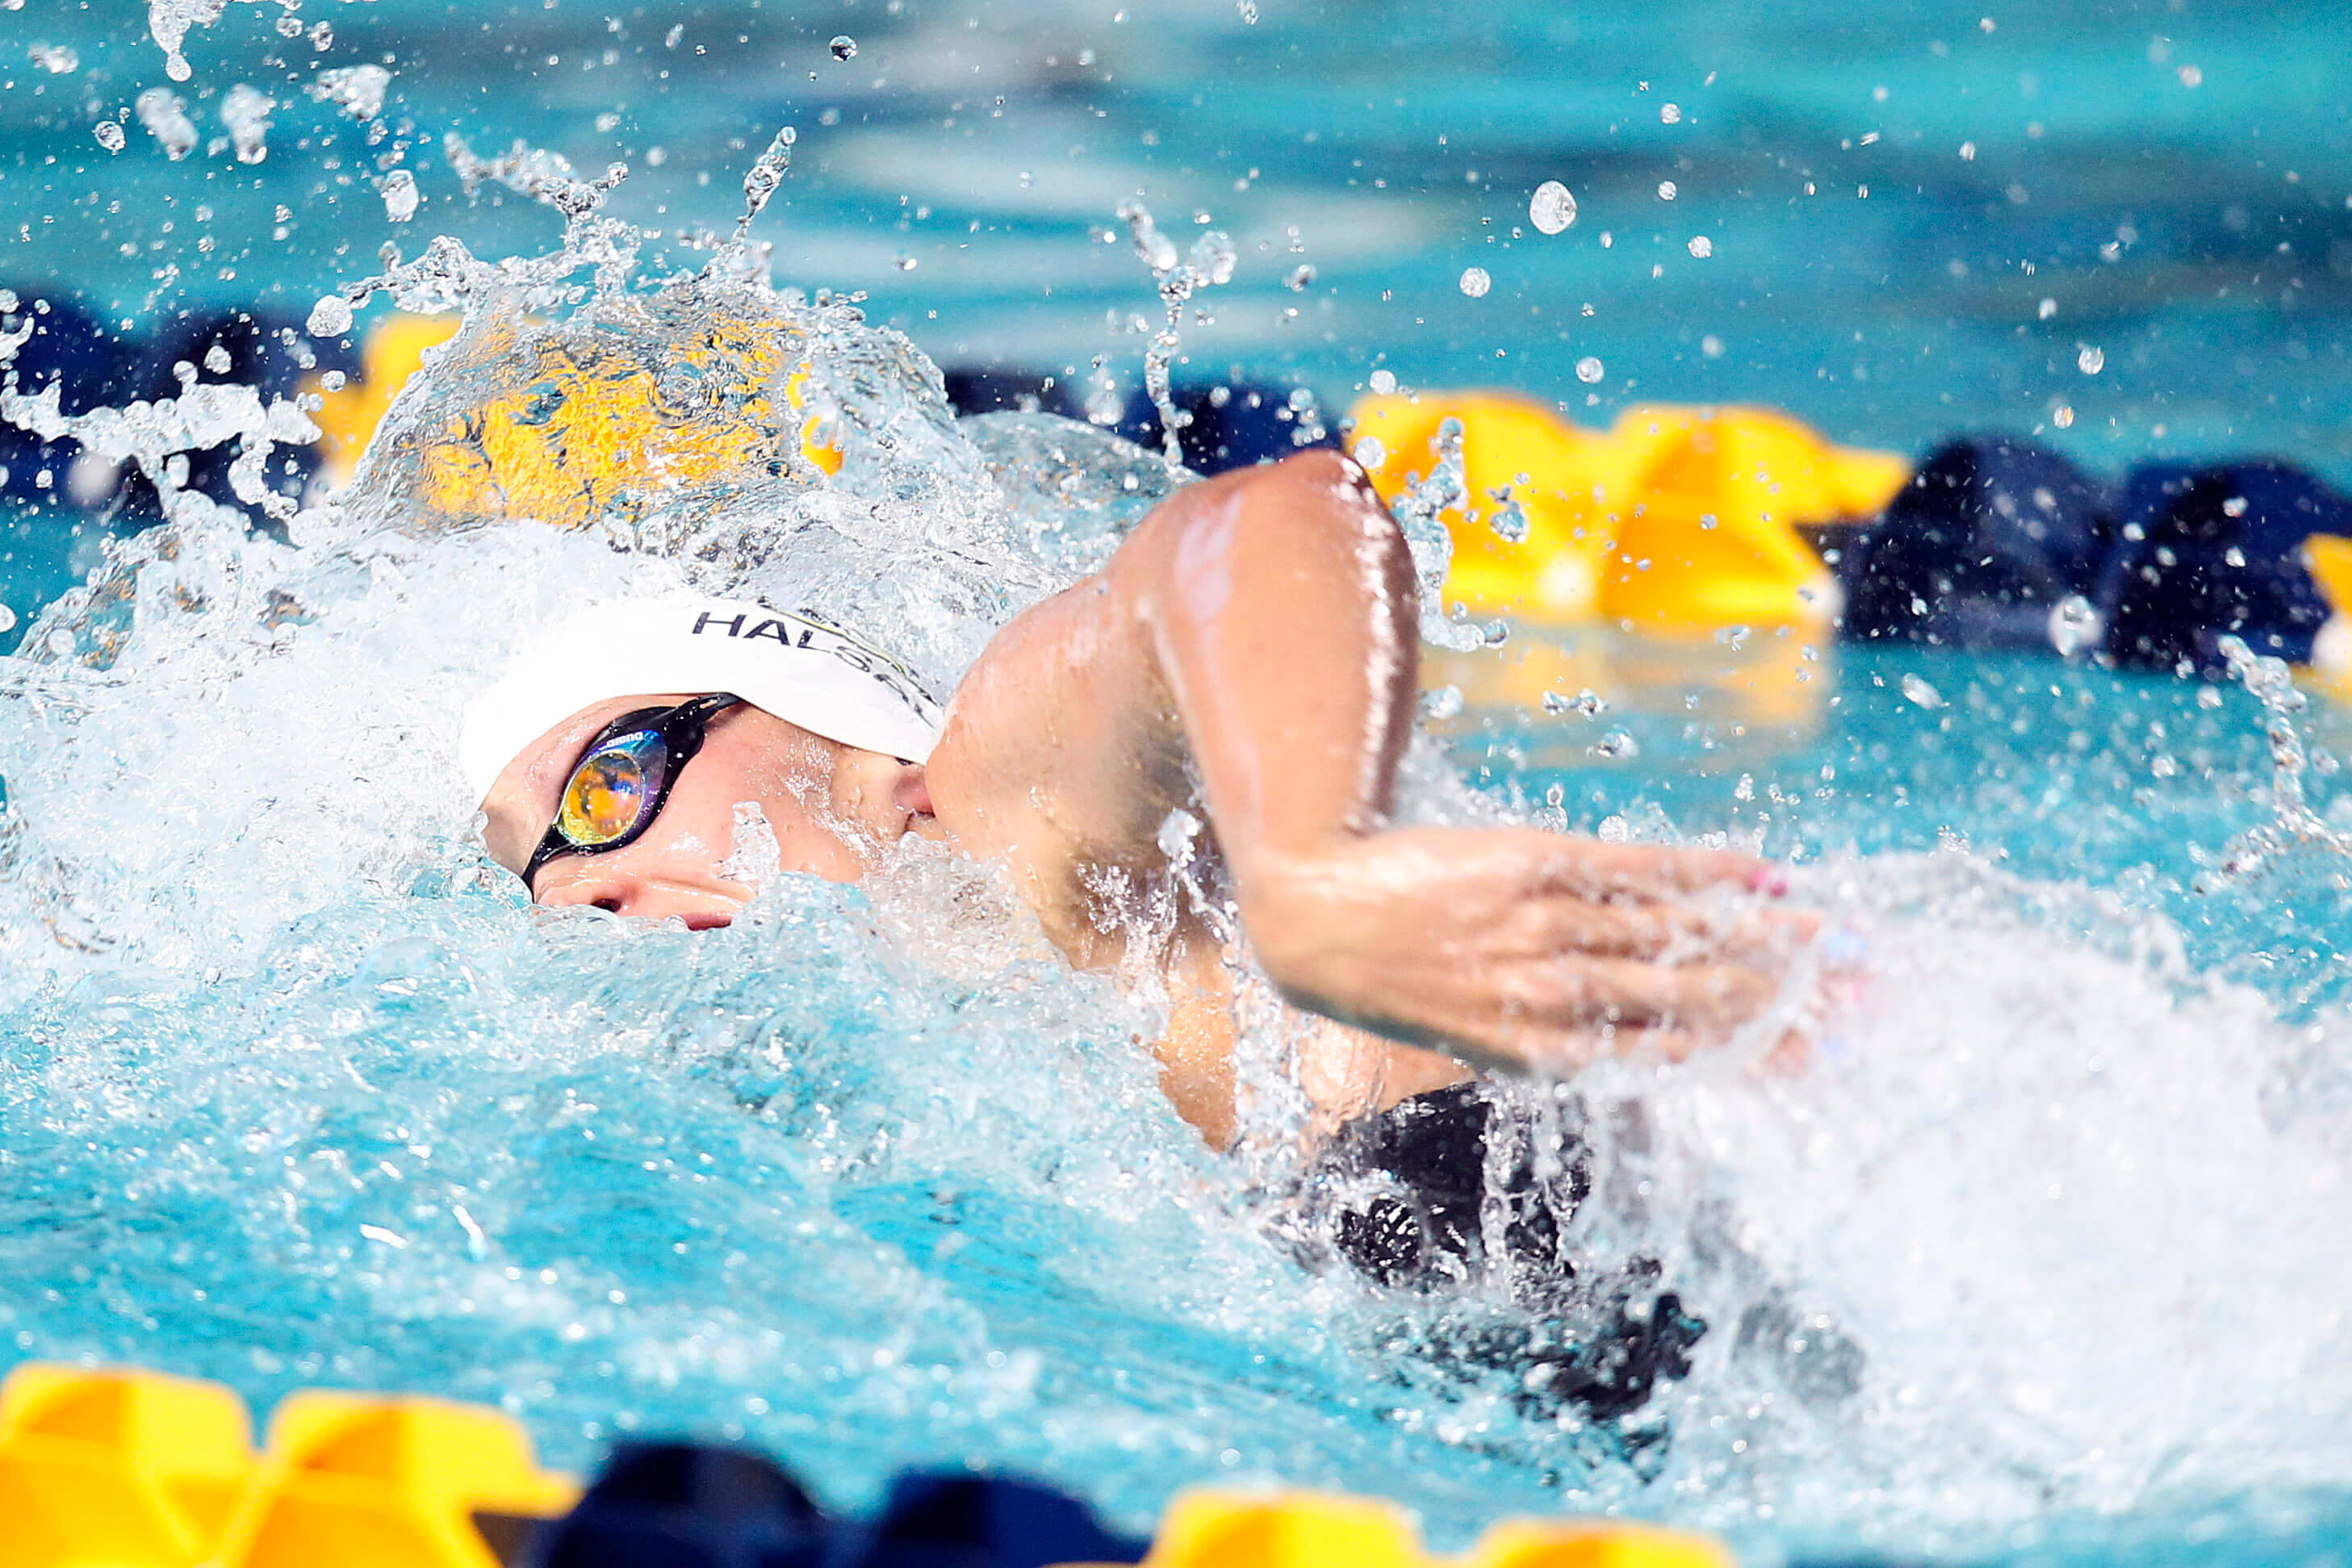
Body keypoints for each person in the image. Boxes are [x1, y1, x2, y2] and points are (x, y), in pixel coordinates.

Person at [462, 449, 1815, 1148]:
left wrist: (1308, 879)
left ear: (829, 731)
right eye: (545, 881)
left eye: (611, 783)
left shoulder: (991, 811)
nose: (580, 884)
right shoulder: (882, 1080)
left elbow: (1273, 520)